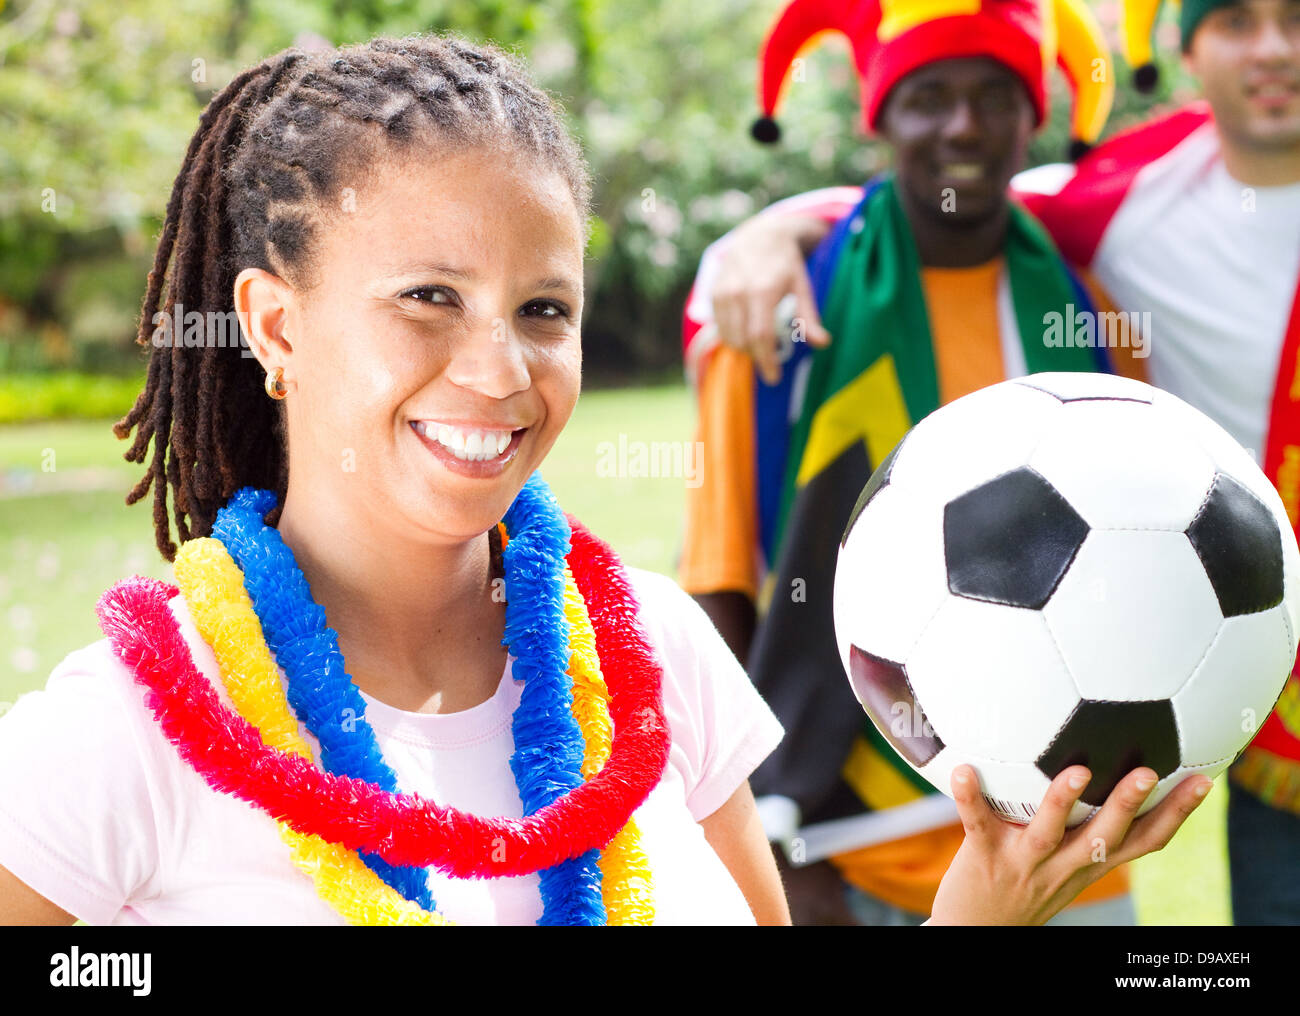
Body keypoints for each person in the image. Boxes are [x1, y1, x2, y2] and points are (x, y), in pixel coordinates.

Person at [0, 32, 1206, 928]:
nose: (498, 366)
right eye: (428, 296)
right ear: (272, 324)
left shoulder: (656, 656)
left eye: (542, 309)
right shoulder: (128, 730)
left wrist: (975, 916)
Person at [691, 0, 1300, 924]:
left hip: (1070, 848)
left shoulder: (1089, 312)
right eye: (927, 96)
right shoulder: (785, 322)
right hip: (843, 851)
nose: (964, 125)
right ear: (880, 115)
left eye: (995, 95)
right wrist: (766, 839)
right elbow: (718, 586)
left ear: (1034, 115)